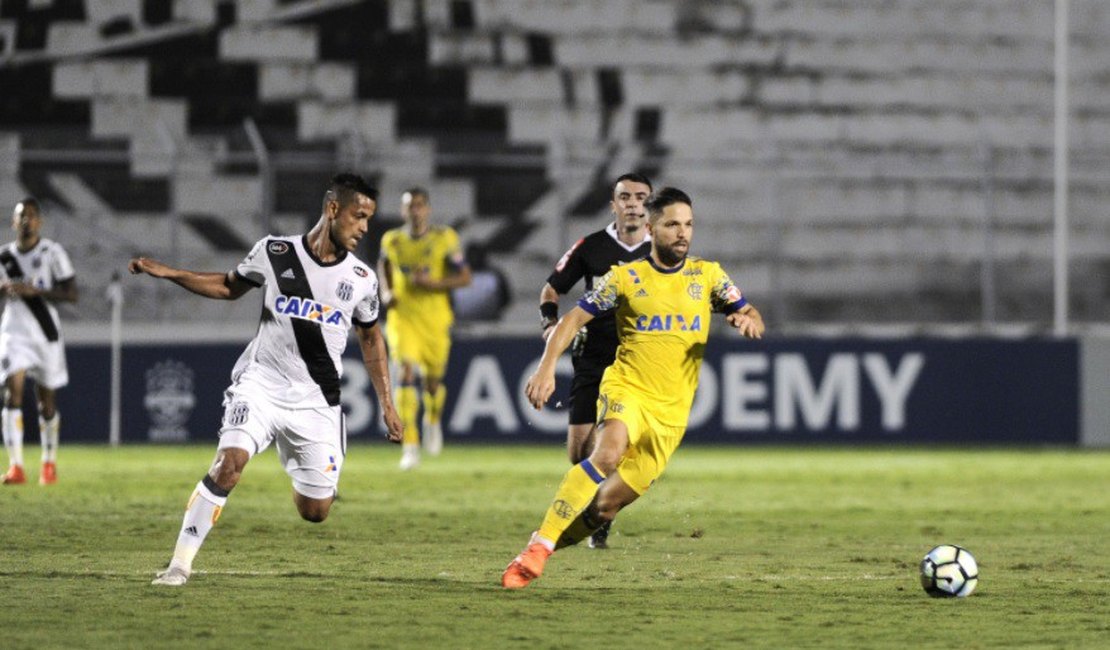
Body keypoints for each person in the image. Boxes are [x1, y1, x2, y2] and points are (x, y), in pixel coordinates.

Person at [129, 173, 404, 586]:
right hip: (261, 384)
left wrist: (388, 403)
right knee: (228, 464)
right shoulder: (276, 252)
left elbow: (371, 338)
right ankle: (179, 565)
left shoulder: (362, 280)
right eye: (358, 216)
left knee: (316, 511)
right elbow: (227, 286)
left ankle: (294, 458)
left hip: (316, 400)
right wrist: (170, 273)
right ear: (333, 209)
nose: (364, 227)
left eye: (369, 219)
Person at [502, 187, 765, 589]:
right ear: (651, 226)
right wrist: (546, 368)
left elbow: (749, 312)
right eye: (673, 224)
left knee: (604, 508)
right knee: (606, 453)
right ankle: (539, 548)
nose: (683, 233)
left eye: (689, 224)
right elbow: (572, 319)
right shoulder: (625, 278)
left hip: (671, 415)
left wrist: (748, 321)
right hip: (628, 389)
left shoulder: (708, 276)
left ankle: (543, 545)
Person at [538, 172, 653, 548]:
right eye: (625, 197)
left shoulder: (660, 252)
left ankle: (599, 518)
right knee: (578, 452)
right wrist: (550, 323)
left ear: (649, 207)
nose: (633, 204)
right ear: (613, 205)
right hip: (591, 358)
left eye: (640, 197)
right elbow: (553, 287)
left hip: (634, 364)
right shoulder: (591, 247)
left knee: (613, 447)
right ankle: (598, 503)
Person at [378, 187, 471, 470]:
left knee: (432, 383)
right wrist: (386, 292)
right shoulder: (391, 240)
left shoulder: (445, 239)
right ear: (403, 211)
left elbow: (465, 276)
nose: (415, 211)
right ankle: (410, 444)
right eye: (410, 206)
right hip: (402, 318)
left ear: (427, 209)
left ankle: (432, 420)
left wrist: (434, 284)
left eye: (420, 205)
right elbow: (383, 265)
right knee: (404, 372)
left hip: (435, 320)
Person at [0, 198, 77, 486]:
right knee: (13, 393)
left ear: (39, 222)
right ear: (13, 222)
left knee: (46, 403)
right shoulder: (3, 256)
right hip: (13, 333)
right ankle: (16, 467)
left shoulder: (51, 252)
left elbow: (72, 293)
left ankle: (48, 463)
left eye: (31, 216)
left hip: (45, 333)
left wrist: (37, 291)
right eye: (21, 216)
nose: (26, 221)